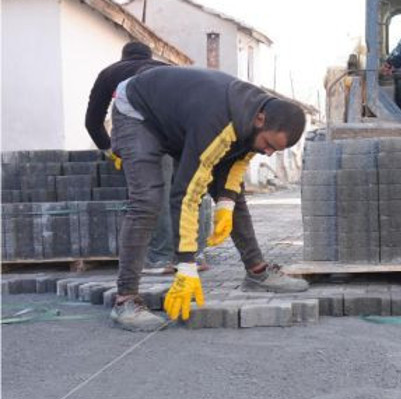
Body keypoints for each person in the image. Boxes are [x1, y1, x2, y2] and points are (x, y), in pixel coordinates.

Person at [109, 66, 309, 331]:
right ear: (260, 119)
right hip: (138, 112)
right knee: (147, 200)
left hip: (181, 120)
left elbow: (236, 164)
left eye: (275, 150)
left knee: (235, 198)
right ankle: (125, 300)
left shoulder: (255, 121)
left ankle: (257, 272)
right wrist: (186, 265)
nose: (269, 153)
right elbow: (186, 194)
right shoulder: (218, 122)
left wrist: (225, 203)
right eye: (269, 145)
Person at [84, 42, 207, 274]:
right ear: (150, 57)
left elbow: (92, 121)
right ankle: (192, 256)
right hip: (184, 128)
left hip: (147, 129)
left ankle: (159, 258)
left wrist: (109, 149)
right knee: (187, 192)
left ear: (123, 57)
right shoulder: (169, 70)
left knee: (154, 192)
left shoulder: (111, 72)